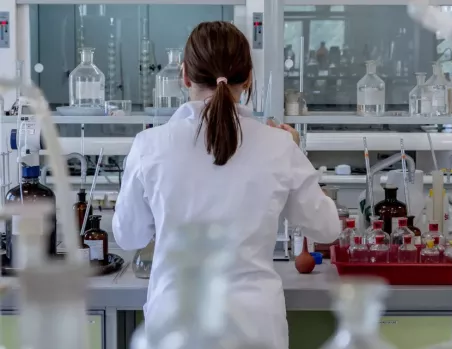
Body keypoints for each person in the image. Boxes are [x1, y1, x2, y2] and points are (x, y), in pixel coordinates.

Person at [112, 21, 341, 349]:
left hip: (175, 327)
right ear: (247, 78)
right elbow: (327, 229)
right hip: (256, 326)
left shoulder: (149, 145)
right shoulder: (279, 145)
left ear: (185, 76)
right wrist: (294, 150)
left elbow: (128, 235)